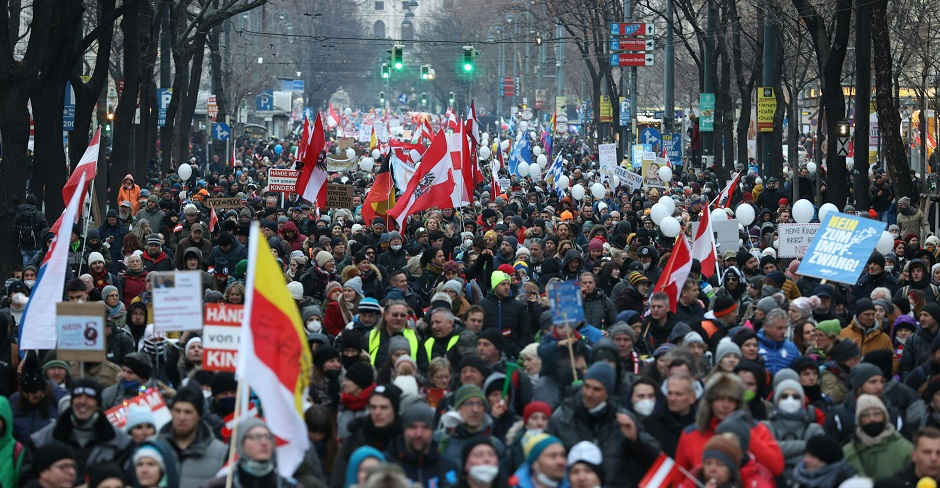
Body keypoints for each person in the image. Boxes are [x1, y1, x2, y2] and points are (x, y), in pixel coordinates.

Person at [547, 362, 660, 482]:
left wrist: (636, 440)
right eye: (587, 386)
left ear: (608, 393)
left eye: (597, 389)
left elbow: (654, 459)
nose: (589, 394)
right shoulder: (562, 419)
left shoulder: (624, 421)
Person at [674, 372, 784, 477]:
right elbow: (680, 479)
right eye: (720, 399)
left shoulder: (757, 429)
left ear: (738, 403)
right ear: (710, 402)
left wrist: (746, 434)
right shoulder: (691, 434)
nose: (725, 405)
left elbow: (776, 467)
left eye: (731, 400)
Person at [27, 378, 132, 484]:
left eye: (89, 397)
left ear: (98, 404)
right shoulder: (42, 440)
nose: (82, 402)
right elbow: (28, 478)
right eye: (78, 396)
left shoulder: (120, 442)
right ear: (71, 401)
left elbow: (127, 479)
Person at [331, 384, 403, 488]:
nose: (377, 412)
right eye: (373, 407)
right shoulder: (354, 439)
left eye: (384, 407)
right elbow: (338, 479)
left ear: (394, 409)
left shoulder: (404, 440)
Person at [157, 385, 227, 487]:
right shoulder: (154, 447)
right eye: (177, 411)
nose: (181, 417)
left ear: (199, 416)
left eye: (188, 412)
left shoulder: (220, 452)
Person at [205, 418, 297, 487]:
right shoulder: (222, 485)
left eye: (268, 437)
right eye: (255, 437)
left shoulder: (288, 485)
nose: (264, 442)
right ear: (241, 444)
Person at [385, 402, 459, 487]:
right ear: (404, 430)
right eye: (413, 427)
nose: (419, 434)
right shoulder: (385, 464)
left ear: (433, 431)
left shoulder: (449, 469)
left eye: (425, 428)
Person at [843, 394, 913, 478]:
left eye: (877, 413)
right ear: (859, 420)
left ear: (885, 417)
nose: (872, 418)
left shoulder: (904, 448)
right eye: (865, 415)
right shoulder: (849, 451)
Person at [643, 373, 698, 457]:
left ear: (692, 397)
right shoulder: (651, 424)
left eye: (678, 394)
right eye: (670, 393)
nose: (672, 398)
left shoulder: (702, 425)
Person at [790, 434, 857, 487]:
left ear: (828, 461)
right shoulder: (800, 480)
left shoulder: (847, 482)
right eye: (806, 455)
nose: (805, 460)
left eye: (812, 457)